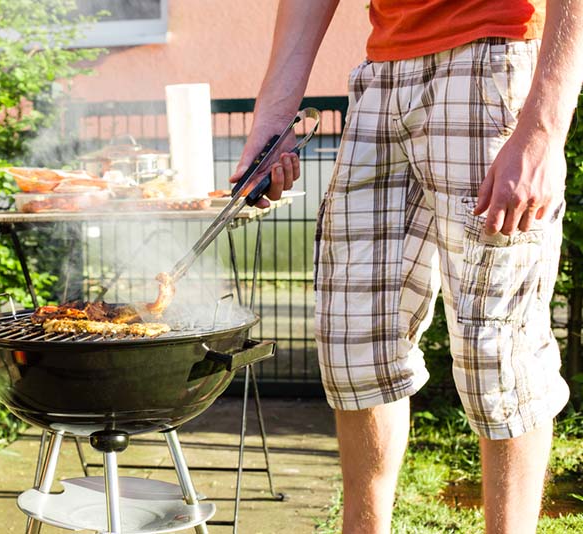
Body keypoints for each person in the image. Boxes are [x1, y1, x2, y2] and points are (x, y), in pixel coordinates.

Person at [231, 1, 583, 532]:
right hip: (380, 81)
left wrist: (543, 129)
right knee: (357, 346)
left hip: (490, 61)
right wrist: (274, 116)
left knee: (498, 350)